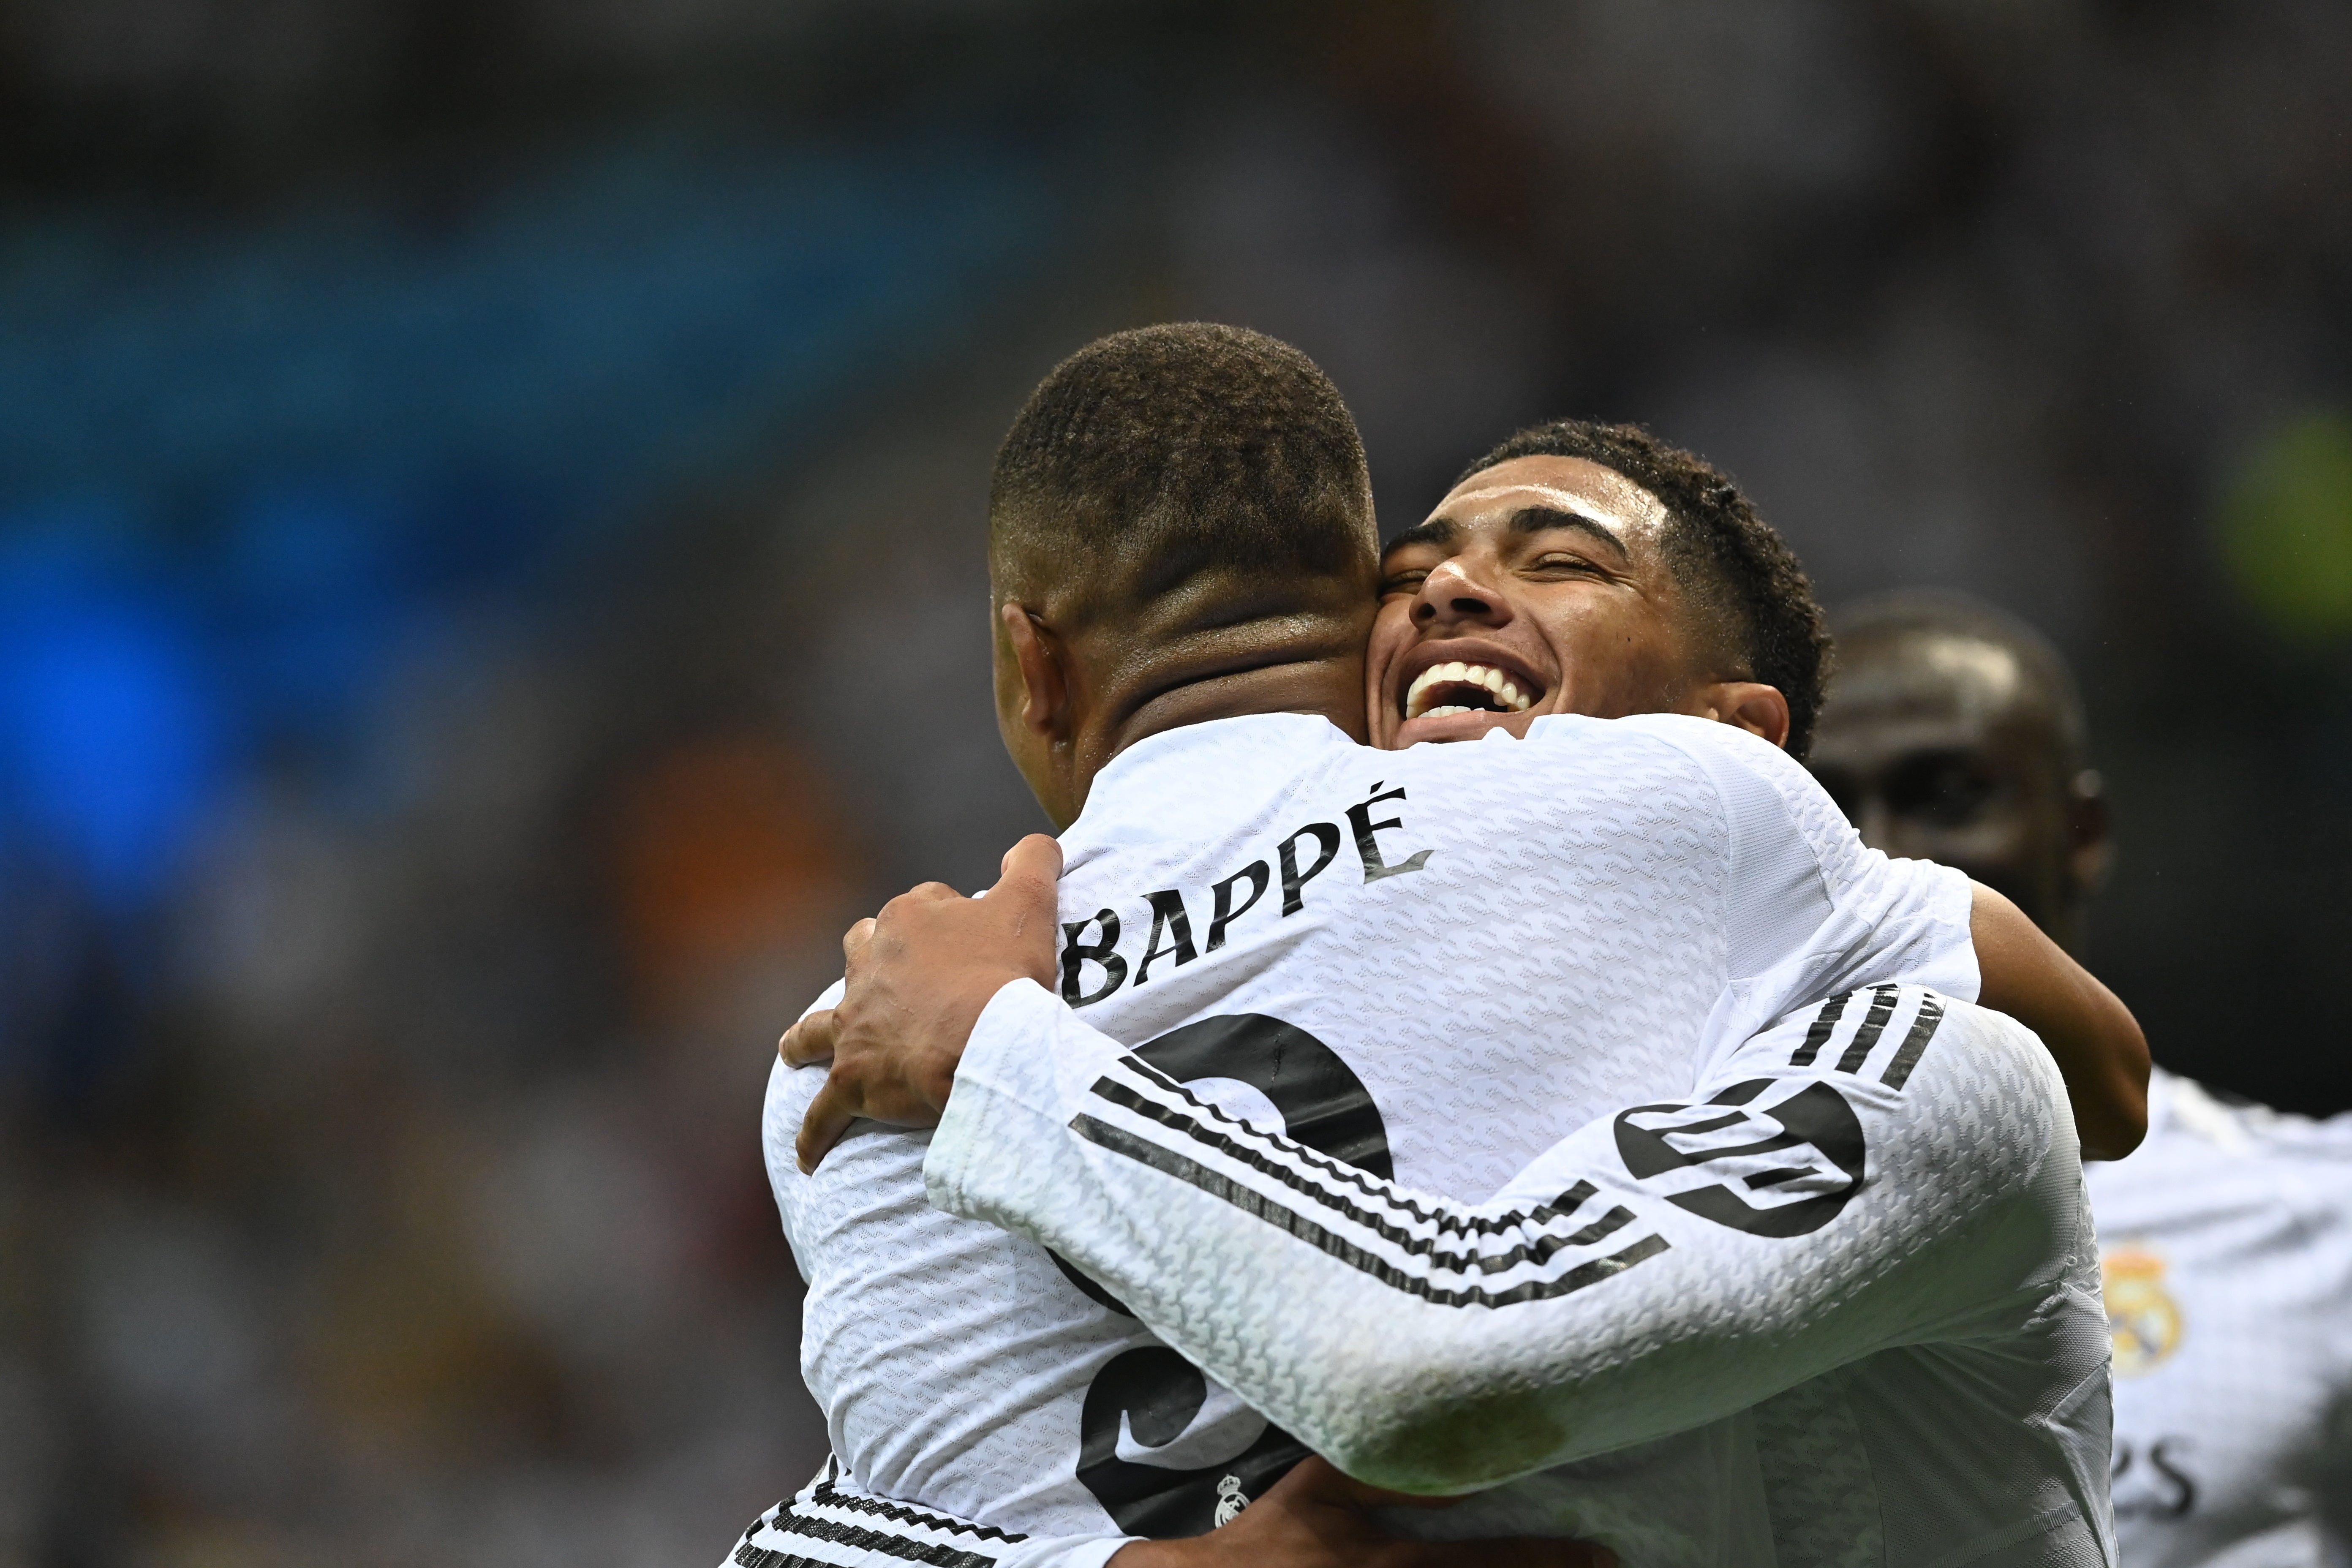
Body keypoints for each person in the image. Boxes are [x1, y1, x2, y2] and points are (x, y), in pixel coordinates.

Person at [725, 325, 2140, 1568]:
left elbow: (2090, 1066)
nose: (1449, 593)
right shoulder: (1695, 853)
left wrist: (992, 1055)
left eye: (1559, 561)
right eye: (1409, 573)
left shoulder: (857, 1070)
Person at [1809, 592, 2352, 1568]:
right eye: (1828, 812)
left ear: (2083, 833)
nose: (1885, 862)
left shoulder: (2315, 1216)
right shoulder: (1673, 1234)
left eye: (1948, 794)